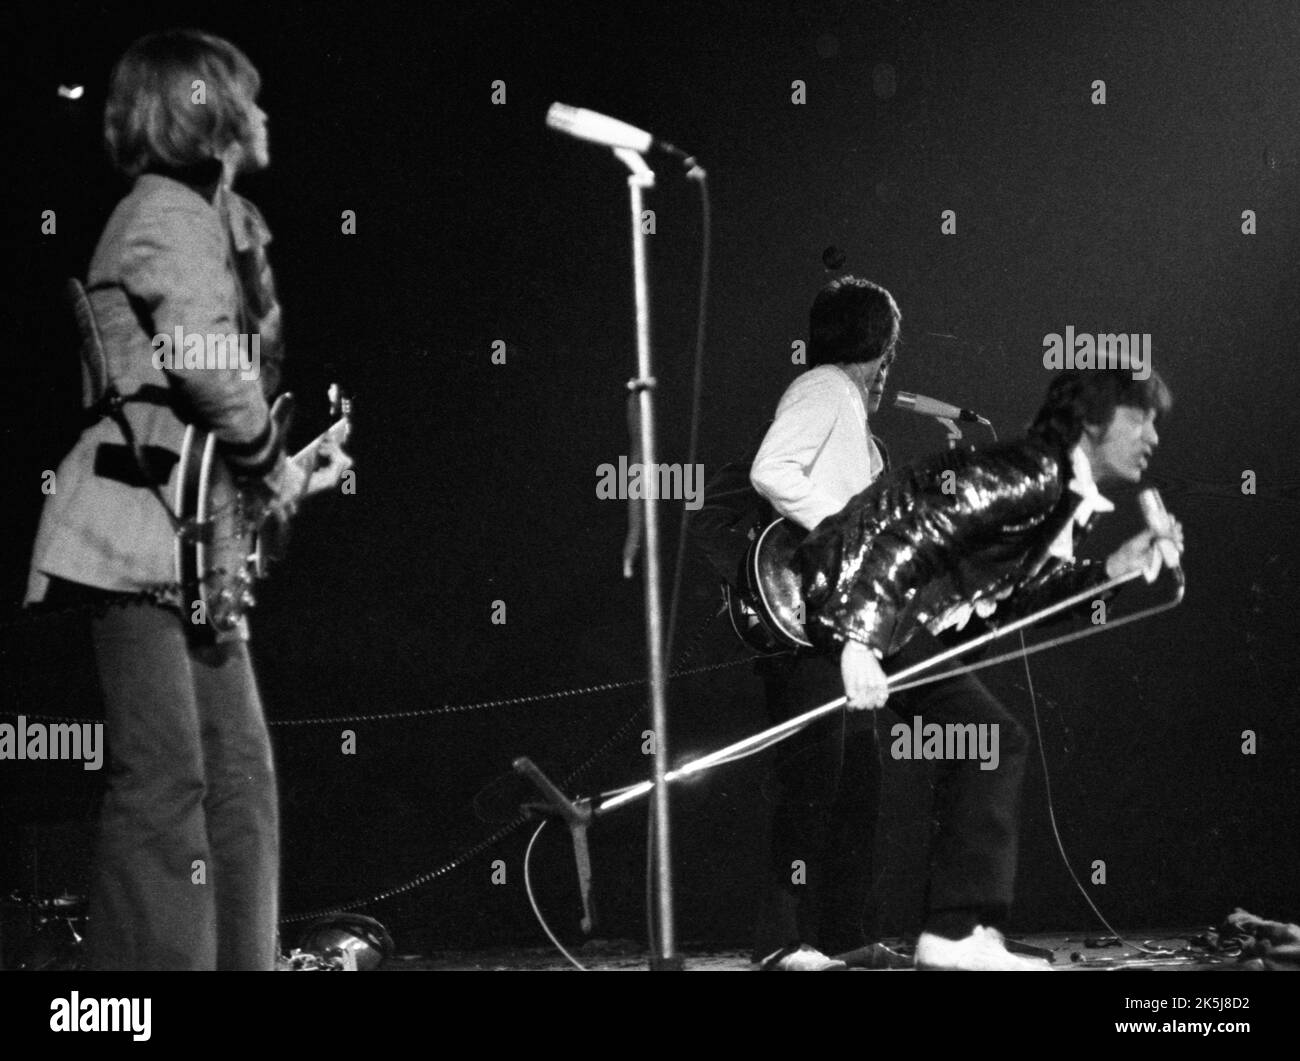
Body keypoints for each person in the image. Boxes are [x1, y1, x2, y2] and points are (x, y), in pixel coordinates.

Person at [25, 29, 350, 970]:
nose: (261, 114)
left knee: (238, 780)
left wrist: (282, 474)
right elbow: (208, 366)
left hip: (196, 540)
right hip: (137, 527)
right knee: (165, 782)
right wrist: (266, 454)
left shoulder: (219, 216)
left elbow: (230, 384)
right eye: (244, 97)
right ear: (205, 111)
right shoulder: (164, 212)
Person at [800, 365, 1181, 970]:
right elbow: (908, 537)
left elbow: (1020, 598)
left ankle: (963, 929)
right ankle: (952, 935)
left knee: (985, 743)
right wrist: (859, 640)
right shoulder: (1029, 476)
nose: (1152, 437)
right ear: (1089, 420)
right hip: (864, 598)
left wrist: (1111, 572)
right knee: (996, 741)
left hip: (897, 616)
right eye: (1139, 418)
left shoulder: (1060, 489)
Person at [748, 276, 899, 971]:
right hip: (809, 627)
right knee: (813, 779)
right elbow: (771, 469)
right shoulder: (827, 387)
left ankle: (840, 932)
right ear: (880, 346)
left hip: (842, 629)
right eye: (891, 350)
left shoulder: (849, 409)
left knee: (856, 779)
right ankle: (780, 941)